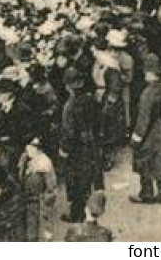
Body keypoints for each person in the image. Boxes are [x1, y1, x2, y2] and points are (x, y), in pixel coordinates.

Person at [130, 54, 161, 205]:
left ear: (151, 73)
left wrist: (136, 137)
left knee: (143, 158)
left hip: (150, 131)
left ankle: (146, 193)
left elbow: (143, 119)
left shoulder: (147, 94)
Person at [59, 68, 102, 223]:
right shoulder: (91, 99)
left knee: (75, 180)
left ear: (68, 86)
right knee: (89, 177)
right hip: (92, 144)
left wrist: (64, 150)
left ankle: (77, 214)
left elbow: (68, 132)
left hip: (77, 148)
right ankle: (91, 208)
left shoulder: (69, 106)